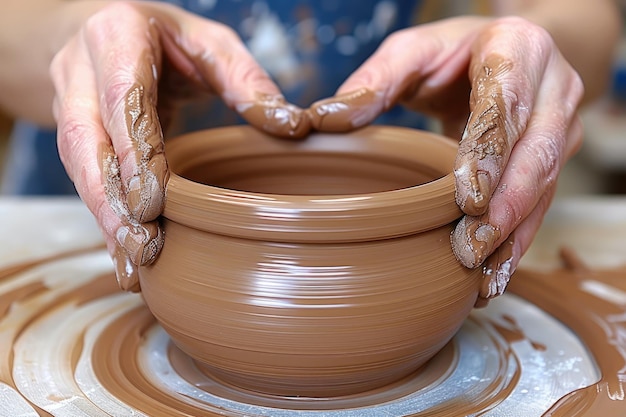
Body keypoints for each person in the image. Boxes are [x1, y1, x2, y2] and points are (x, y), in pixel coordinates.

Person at [0, 1, 621, 295]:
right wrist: (75, 34)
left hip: (410, 216)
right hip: (90, 222)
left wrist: (534, 44)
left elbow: (584, 17)